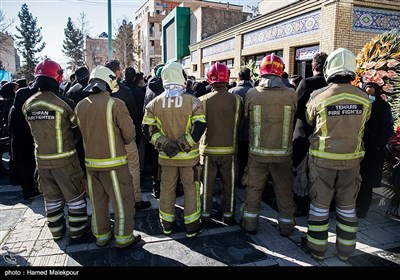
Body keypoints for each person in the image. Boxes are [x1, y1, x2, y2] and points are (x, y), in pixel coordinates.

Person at [305, 48, 371, 261]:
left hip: (322, 162)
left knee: (319, 208)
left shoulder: (318, 96)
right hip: (352, 163)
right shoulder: (364, 98)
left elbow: (308, 120)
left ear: (328, 69)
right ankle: (345, 251)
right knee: (347, 208)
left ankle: (317, 250)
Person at [75, 65, 142, 248]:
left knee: (97, 204)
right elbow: (129, 135)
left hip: (91, 166)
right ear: (108, 83)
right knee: (123, 202)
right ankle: (123, 237)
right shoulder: (116, 104)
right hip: (115, 165)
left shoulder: (80, 106)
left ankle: (102, 236)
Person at [23, 58, 89, 240]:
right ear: (57, 77)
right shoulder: (64, 104)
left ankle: (56, 231)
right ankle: (78, 230)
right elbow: (77, 131)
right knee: (75, 197)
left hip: (42, 162)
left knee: (51, 199)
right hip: (65, 160)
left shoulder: (28, 104)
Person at [142, 62, 206, 238]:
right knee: (191, 191)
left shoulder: (154, 103)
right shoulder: (193, 102)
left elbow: (147, 129)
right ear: (182, 78)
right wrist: (183, 144)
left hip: (166, 159)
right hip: (189, 159)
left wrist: (164, 143)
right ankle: (192, 227)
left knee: (167, 190)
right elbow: (200, 126)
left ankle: (167, 225)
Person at [240, 54, 297, 237]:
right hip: (283, 155)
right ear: (281, 73)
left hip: (257, 154)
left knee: (253, 189)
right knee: (284, 191)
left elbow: (247, 118)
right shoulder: (292, 94)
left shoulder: (252, 94)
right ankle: (287, 227)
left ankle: (249, 223)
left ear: (261, 72)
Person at [199, 62, 243, 224]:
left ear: (210, 80)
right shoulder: (237, 100)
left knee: (207, 186)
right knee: (229, 185)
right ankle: (229, 214)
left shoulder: (202, 100)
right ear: (227, 78)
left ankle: (205, 214)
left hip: (208, 150)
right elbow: (238, 124)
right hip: (229, 151)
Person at [105, 60, 150, 211]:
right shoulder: (123, 92)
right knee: (132, 167)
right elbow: (134, 115)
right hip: (126, 137)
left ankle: (116, 198)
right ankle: (136, 198)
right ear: (117, 73)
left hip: (107, 139)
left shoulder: (98, 92)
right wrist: (134, 135)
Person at [292, 52, 328, 216]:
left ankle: (301, 205)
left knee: (301, 172)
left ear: (314, 65)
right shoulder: (330, 85)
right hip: (323, 136)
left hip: (303, 134)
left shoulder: (306, 83)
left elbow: (295, 108)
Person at [356, 82, 393, 218]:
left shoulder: (383, 107)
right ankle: (355, 203)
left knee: (368, 181)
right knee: (355, 178)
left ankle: (363, 208)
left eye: (372, 94)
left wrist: (379, 143)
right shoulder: (359, 105)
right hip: (358, 147)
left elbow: (388, 127)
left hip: (373, 150)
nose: (370, 96)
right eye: (367, 94)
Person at [9, 79, 39, 199]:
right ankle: (29, 191)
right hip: (24, 144)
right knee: (27, 168)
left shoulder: (13, 109)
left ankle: (28, 190)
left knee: (24, 169)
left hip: (16, 144)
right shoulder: (22, 111)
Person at [229, 66, 253, 188]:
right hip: (251, 131)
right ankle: (246, 180)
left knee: (236, 158)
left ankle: (236, 180)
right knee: (248, 159)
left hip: (236, 131)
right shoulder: (255, 91)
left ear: (239, 77)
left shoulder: (232, 92)